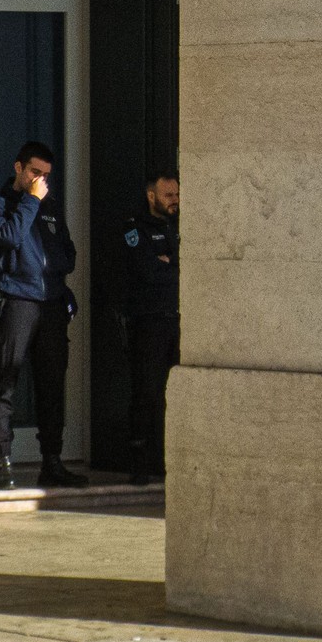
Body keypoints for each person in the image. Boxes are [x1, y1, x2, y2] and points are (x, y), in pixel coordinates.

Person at [0, 140, 87, 490]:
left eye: (45, 175)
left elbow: (67, 255)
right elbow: (8, 237)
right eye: (34, 172)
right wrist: (31, 201)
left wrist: (53, 270)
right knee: (5, 381)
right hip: (16, 301)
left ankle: (52, 461)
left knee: (52, 385)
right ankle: (3, 461)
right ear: (18, 168)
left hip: (51, 303)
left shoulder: (49, 207)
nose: (41, 179)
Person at [121, 171, 179, 486]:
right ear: (152, 196)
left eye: (177, 195)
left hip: (178, 320)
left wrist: (168, 263)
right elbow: (147, 271)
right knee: (147, 392)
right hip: (149, 321)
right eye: (168, 195)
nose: (175, 201)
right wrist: (168, 266)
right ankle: (140, 462)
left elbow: (186, 267)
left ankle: (167, 461)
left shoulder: (180, 226)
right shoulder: (135, 227)